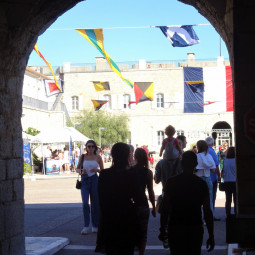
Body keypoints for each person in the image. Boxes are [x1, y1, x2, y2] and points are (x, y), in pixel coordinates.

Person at [159, 151, 215, 255]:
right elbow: (207, 212)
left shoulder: (171, 182)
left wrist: (162, 229)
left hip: (176, 227)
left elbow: (165, 208)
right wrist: (211, 235)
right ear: (196, 164)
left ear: (182, 163)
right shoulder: (201, 184)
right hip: (195, 227)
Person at [98, 142, 145, 255]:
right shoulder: (130, 175)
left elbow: (101, 198)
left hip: (109, 218)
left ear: (113, 156)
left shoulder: (104, 174)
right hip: (127, 218)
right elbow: (139, 199)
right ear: (127, 156)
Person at [131, 148, 156, 255]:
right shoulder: (148, 173)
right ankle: (141, 253)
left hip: (130, 204)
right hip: (143, 204)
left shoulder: (129, 171)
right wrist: (154, 207)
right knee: (143, 233)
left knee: (130, 231)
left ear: (134, 157)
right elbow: (150, 191)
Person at [76, 140, 104, 235]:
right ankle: (86, 226)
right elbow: (77, 168)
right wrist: (80, 171)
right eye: (89, 146)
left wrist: (97, 170)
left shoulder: (98, 157)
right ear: (86, 148)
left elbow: (103, 171)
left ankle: (95, 225)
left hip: (94, 179)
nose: (90, 148)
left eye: (92, 146)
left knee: (95, 203)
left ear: (95, 147)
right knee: (85, 203)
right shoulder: (83, 157)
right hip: (85, 180)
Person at [195, 140, 216, 213]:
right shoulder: (209, 156)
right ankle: (210, 217)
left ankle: (198, 218)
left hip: (198, 179)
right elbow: (213, 170)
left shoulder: (196, 156)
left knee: (197, 200)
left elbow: (193, 169)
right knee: (209, 200)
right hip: (208, 178)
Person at [205, 137, 221, 220]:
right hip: (212, 178)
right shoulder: (212, 151)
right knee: (212, 197)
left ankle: (205, 215)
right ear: (212, 144)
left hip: (203, 178)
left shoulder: (202, 152)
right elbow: (216, 165)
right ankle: (211, 215)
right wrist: (219, 176)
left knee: (205, 198)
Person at [222, 146, 236, 217]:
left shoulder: (225, 160)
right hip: (235, 181)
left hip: (227, 181)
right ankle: (236, 212)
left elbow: (223, 171)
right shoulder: (236, 160)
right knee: (236, 199)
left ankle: (228, 213)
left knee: (228, 199)